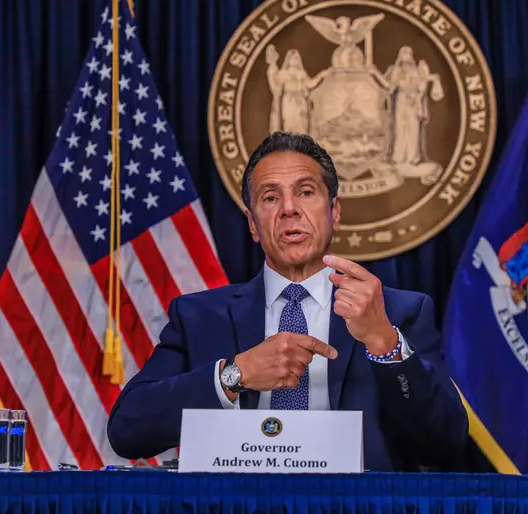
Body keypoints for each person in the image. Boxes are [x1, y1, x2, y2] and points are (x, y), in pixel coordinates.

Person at [107, 131, 469, 471]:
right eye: (270, 197)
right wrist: (235, 374)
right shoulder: (199, 317)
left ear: (335, 211)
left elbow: (444, 444)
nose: (289, 209)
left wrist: (384, 344)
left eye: (306, 192)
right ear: (252, 223)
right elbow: (127, 430)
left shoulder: (399, 313)